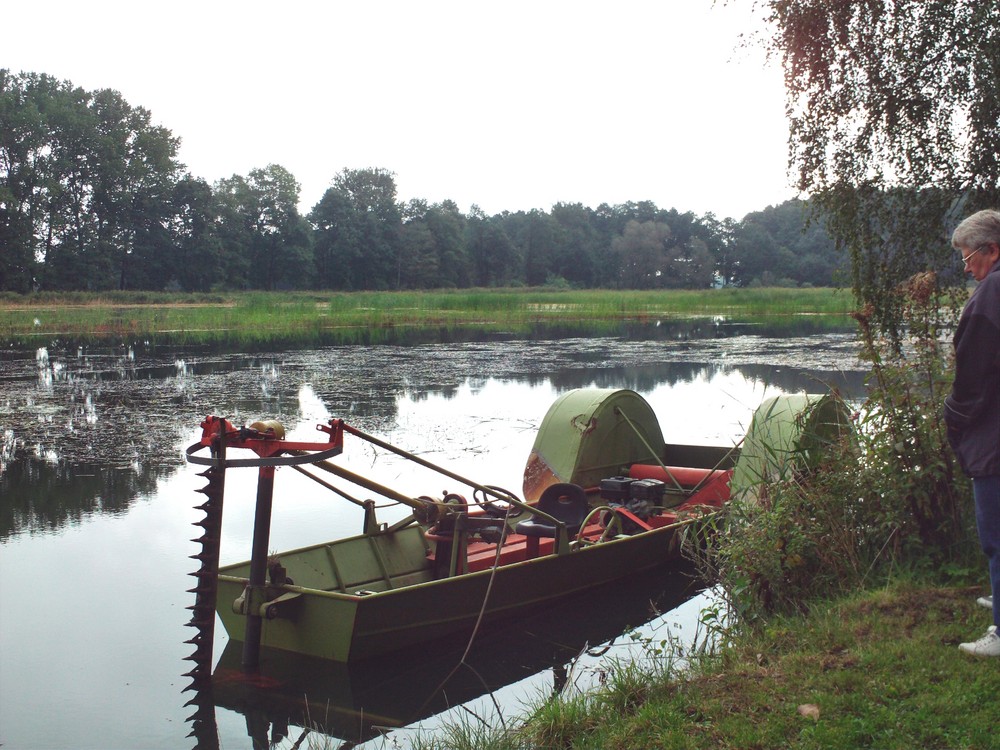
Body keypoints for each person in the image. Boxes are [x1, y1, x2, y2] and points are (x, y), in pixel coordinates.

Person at [944, 208, 1000, 657]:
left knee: (995, 533)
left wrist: (954, 419)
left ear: (992, 249)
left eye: (968, 257)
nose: (966, 267)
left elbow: (973, 378)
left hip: (994, 435)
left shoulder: (991, 294)